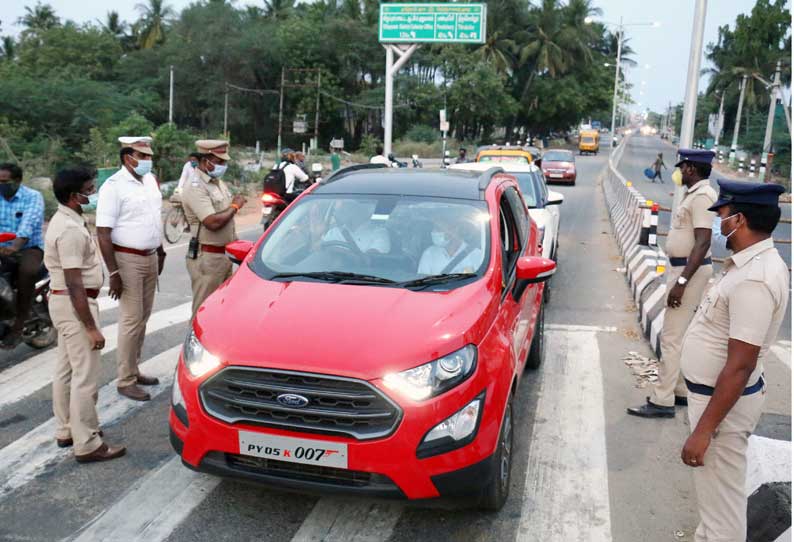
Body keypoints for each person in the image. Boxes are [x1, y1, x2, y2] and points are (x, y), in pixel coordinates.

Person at [680, 180, 788, 542]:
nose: (718, 222)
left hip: (721, 408)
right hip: (714, 401)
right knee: (713, 508)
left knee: (723, 516)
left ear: (738, 220)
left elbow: (740, 364)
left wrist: (704, 430)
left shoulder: (755, 277)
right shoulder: (745, 265)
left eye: (722, 215)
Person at [628, 149, 717, 419]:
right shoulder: (694, 195)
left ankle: (662, 399)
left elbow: (702, 242)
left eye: (681, 167)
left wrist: (680, 282)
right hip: (684, 269)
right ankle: (678, 390)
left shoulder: (702, 197)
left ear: (691, 168)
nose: (677, 172)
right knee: (681, 337)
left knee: (671, 337)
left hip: (688, 272)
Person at [47, 166, 125, 463]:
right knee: (85, 377)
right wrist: (91, 327)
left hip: (65, 304)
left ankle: (67, 429)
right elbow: (74, 282)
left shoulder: (69, 219)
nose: (93, 193)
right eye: (89, 189)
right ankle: (88, 443)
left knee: (66, 370)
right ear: (73, 196)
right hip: (74, 303)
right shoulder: (68, 230)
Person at [96, 136, 166, 402]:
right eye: (143, 156)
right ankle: (125, 379)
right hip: (127, 259)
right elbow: (103, 233)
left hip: (149, 256)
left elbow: (153, 218)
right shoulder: (113, 186)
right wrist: (113, 273)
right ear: (128, 158)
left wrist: (159, 249)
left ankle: (134, 368)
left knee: (143, 317)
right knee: (131, 319)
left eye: (149, 156)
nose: (148, 161)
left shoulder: (149, 180)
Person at [182, 139, 247, 317]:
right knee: (203, 313)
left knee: (218, 313)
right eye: (219, 162)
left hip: (223, 256)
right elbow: (212, 222)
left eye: (224, 162)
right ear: (205, 161)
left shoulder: (217, 182)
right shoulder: (196, 186)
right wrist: (235, 207)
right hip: (208, 258)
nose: (223, 166)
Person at [0, 163, 45, 349]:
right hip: (1, 247)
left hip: (28, 248)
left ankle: (19, 323)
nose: (1, 184)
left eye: (4, 181)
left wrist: (15, 246)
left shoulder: (33, 197)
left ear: (17, 181)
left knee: (26, 272)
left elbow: (29, 223)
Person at [418, 209, 483, 275]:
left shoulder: (476, 255)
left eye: (439, 228)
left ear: (454, 230)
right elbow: (422, 282)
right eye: (434, 228)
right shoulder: (429, 253)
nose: (434, 232)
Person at [322, 200, 390, 254]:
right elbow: (323, 251)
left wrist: (339, 252)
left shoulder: (379, 233)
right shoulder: (333, 232)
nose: (342, 210)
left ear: (359, 211)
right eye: (343, 207)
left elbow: (370, 258)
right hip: (328, 271)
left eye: (348, 207)